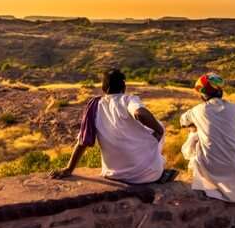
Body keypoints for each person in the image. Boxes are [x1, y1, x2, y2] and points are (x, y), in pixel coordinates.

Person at [50, 69, 178, 184]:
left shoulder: (94, 106)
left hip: (113, 174)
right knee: (159, 125)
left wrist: (69, 169)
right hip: (146, 176)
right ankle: (158, 169)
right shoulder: (128, 100)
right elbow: (140, 113)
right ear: (124, 87)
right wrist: (159, 130)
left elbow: (83, 141)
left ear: (104, 89)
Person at [180, 73, 235, 202]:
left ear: (203, 93)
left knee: (195, 135)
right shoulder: (234, 108)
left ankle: (198, 177)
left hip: (213, 168)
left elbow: (182, 122)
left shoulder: (197, 110)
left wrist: (197, 126)